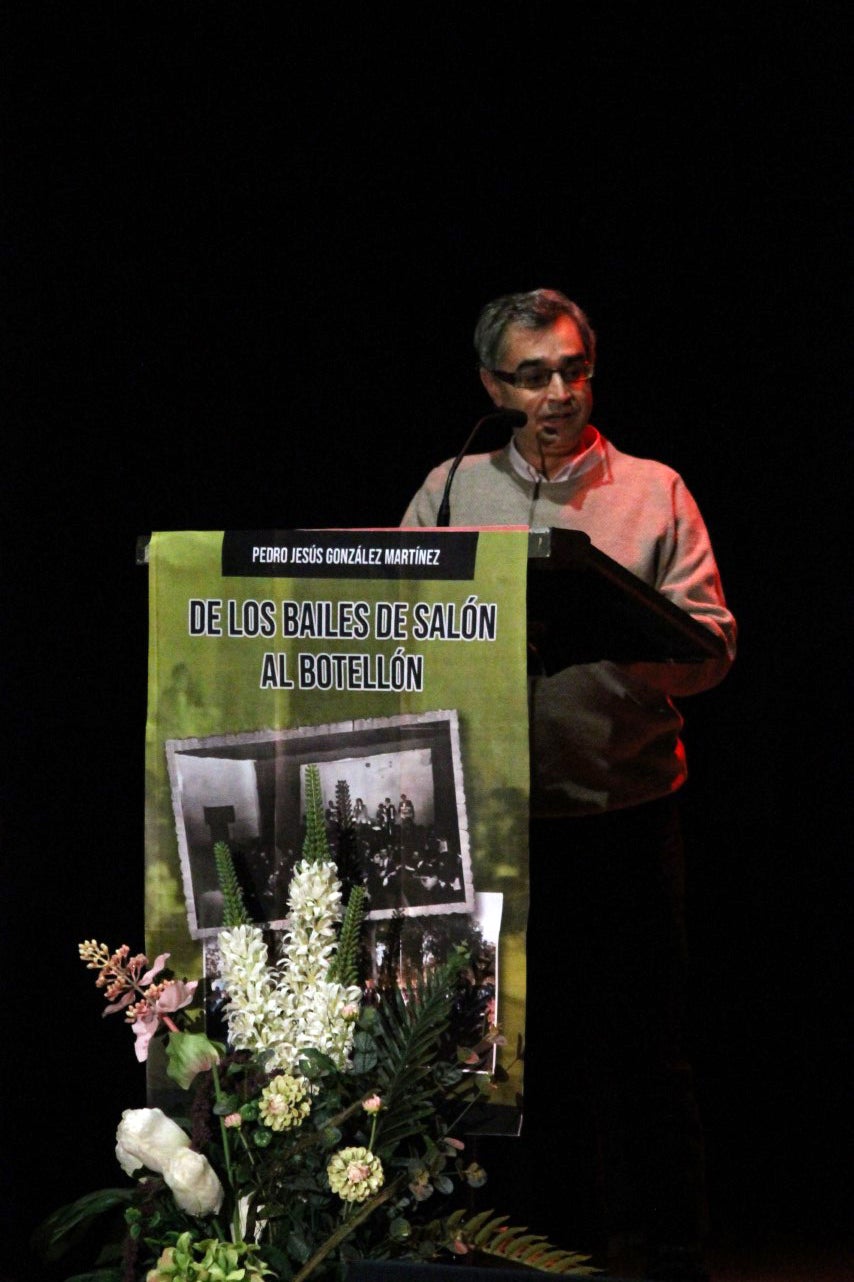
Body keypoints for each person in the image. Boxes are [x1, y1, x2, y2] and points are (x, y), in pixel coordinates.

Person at [402, 289, 736, 1281]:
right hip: (491, 826)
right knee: (517, 1055)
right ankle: (550, 1251)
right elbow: (397, 622)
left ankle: (672, 1252)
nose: (557, 392)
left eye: (572, 369)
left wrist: (616, 639)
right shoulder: (450, 490)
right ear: (492, 387)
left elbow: (712, 647)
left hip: (623, 815)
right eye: (532, 375)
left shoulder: (654, 490)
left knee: (645, 1051)